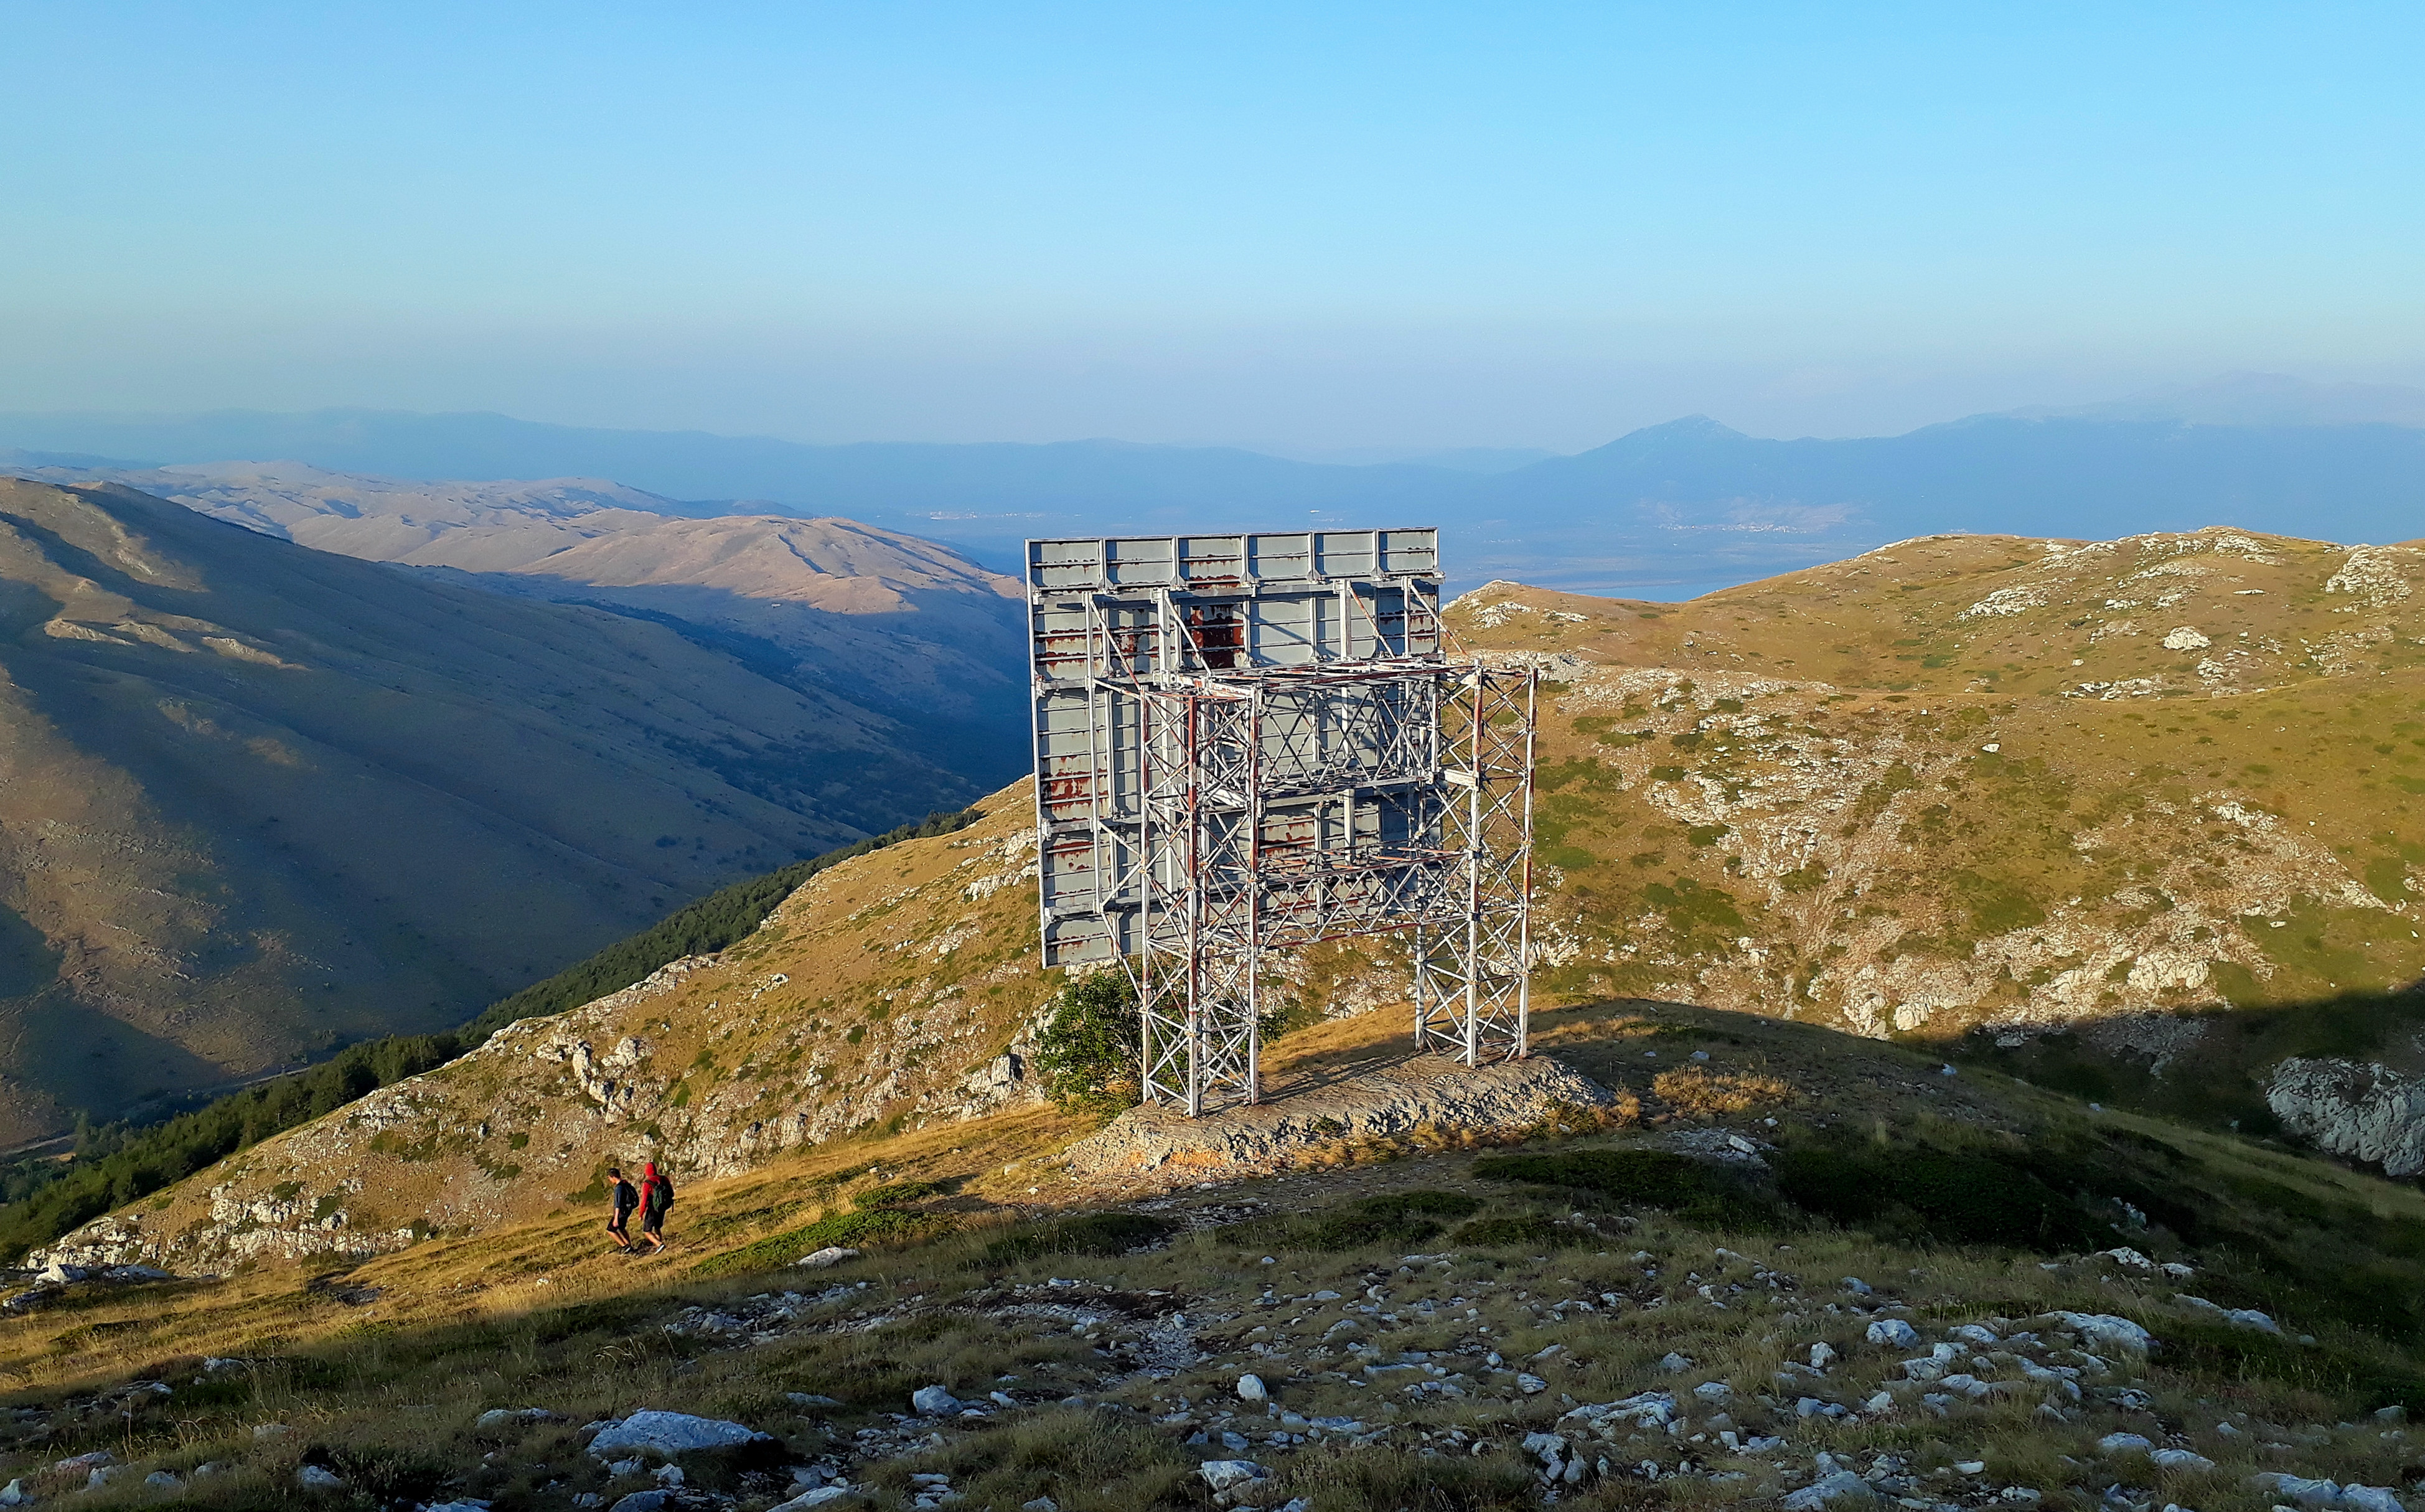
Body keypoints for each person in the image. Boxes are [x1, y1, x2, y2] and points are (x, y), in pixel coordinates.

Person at [637, 1160, 674, 1254]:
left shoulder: (647, 1183)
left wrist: (641, 1214)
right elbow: (671, 1193)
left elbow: (644, 1201)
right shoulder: (664, 1179)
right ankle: (660, 1249)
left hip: (653, 1208)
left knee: (647, 1231)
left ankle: (659, 1244)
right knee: (657, 1227)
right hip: (663, 1206)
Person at [605, 1166, 639, 1253]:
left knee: (611, 1230)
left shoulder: (619, 1188)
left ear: (612, 1177)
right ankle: (629, 1246)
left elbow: (618, 1204)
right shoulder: (626, 1184)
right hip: (627, 1211)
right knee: (622, 1228)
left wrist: (616, 1218)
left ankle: (625, 1246)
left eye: (609, 1178)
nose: (610, 1180)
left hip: (621, 1212)